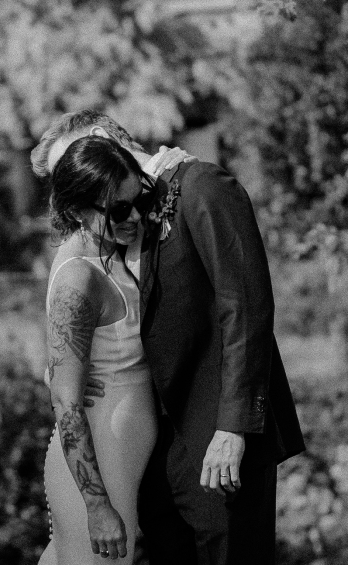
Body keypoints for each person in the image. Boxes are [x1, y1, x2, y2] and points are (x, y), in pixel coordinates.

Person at [31, 111, 305, 565]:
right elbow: (79, 336)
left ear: (103, 141)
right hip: (153, 457)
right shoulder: (100, 237)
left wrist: (233, 427)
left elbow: (246, 310)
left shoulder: (199, 188)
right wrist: (60, 373)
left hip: (217, 442)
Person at [37, 135, 192, 565]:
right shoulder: (79, 279)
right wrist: (97, 506)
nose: (135, 217)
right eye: (118, 210)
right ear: (76, 212)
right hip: (99, 468)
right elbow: (66, 402)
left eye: (138, 200)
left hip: (123, 457)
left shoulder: (117, 253)